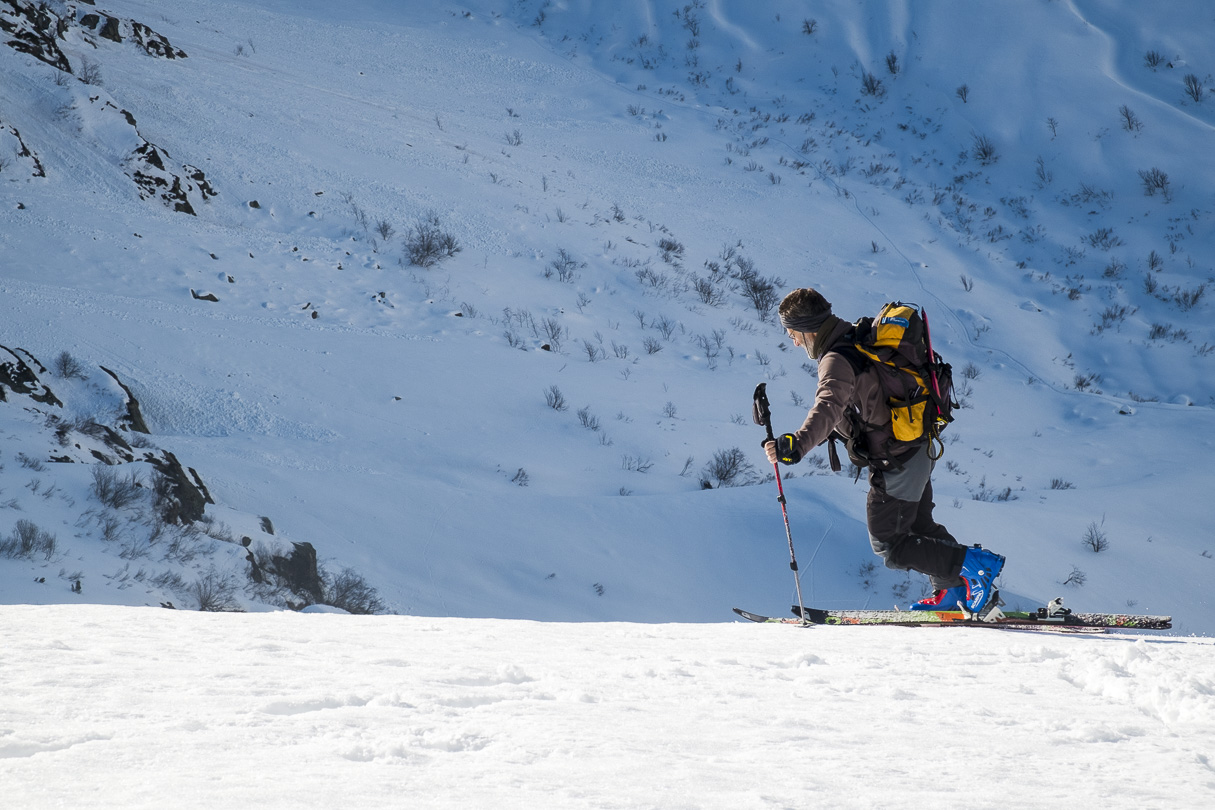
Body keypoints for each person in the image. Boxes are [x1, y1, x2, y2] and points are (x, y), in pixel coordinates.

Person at [762, 287, 1005, 613]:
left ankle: (975, 565)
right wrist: (801, 440)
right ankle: (955, 592)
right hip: (917, 448)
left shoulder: (836, 360)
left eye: (793, 334)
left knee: (889, 543)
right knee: (920, 528)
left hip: (897, 461)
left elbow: (829, 406)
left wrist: (800, 443)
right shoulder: (855, 339)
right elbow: (846, 410)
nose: (793, 342)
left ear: (809, 329)